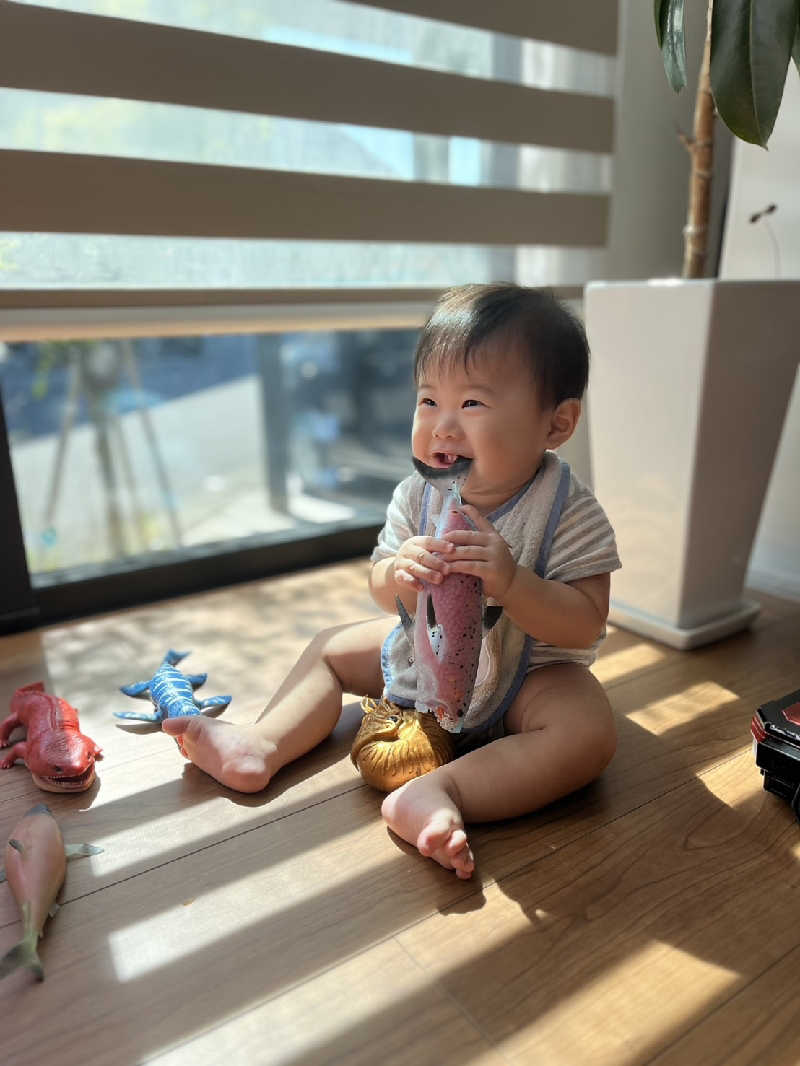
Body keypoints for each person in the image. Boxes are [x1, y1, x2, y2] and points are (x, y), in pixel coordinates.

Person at [163, 284, 621, 879]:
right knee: (331, 645)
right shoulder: (416, 495)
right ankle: (261, 744)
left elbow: (588, 619)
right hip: (422, 655)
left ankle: (443, 792)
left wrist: (513, 583)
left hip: (531, 676)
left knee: (588, 731)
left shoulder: (568, 510)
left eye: (474, 405)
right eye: (429, 401)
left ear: (556, 424)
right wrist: (398, 573)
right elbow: (381, 587)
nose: (443, 427)